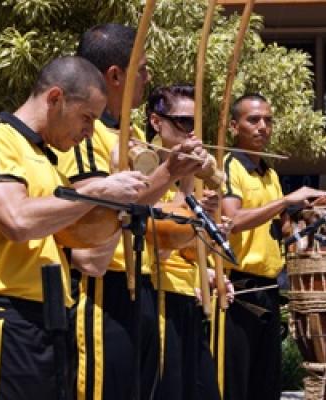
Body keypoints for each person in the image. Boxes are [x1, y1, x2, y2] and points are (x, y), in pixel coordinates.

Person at [56, 24, 211, 400]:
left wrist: (184, 180)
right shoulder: (85, 138)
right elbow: (91, 248)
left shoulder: (133, 140)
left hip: (141, 286)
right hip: (102, 293)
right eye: (141, 68)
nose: (148, 77)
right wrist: (167, 172)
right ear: (115, 75)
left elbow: (158, 219)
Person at [0, 56, 149, 400]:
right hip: (9, 319)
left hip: (52, 321)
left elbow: (90, 258)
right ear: (55, 98)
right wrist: (95, 191)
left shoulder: (49, 162)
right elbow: (17, 221)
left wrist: (118, 201)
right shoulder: (1, 139)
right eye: (87, 117)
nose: (90, 131)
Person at [221, 93, 326, 400]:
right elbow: (231, 220)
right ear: (234, 126)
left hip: (269, 289)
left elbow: (282, 230)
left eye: (268, 121)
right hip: (238, 291)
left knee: (266, 386)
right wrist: (285, 200)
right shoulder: (230, 166)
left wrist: (308, 212)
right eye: (253, 120)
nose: (263, 127)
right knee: (237, 386)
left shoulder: (269, 173)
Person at [146, 84, 229, 400]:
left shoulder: (188, 171)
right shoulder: (144, 165)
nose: (193, 133)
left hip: (189, 296)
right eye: (183, 122)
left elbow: (189, 248)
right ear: (157, 122)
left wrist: (210, 264)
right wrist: (185, 190)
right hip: (158, 295)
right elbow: (161, 238)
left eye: (197, 124)